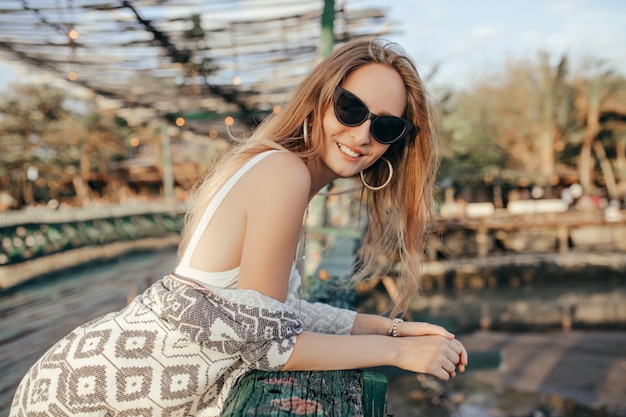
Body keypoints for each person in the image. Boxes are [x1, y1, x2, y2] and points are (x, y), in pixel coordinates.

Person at [10, 38, 468, 416]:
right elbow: (269, 344)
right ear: (320, 100)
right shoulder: (283, 173)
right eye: (350, 109)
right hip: (83, 399)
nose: (363, 134)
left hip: (95, 379)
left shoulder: (285, 173)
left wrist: (391, 330)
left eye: (385, 126)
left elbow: (278, 314)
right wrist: (397, 354)